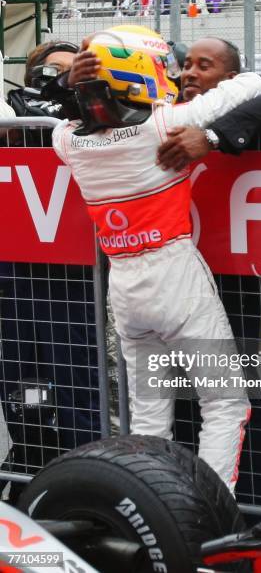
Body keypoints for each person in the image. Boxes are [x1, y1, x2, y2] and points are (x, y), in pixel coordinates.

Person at [49, 25, 261, 493]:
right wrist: (208, 133)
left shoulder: (65, 142)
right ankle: (213, 518)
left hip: (124, 289)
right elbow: (253, 84)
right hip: (178, 283)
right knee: (226, 404)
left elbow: (70, 115)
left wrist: (79, 86)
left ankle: (158, 508)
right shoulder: (166, 125)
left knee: (148, 416)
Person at [156, 38, 261, 505]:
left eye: (204, 66)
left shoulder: (241, 114)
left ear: (230, 80)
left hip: (231, 282)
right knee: (174, 389)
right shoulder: (165, 113)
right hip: (171, 281)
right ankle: (185, 494)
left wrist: (209, 138)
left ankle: (248, 500)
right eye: (186, 65)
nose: (189, 73)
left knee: (234, 390)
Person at [1, 40, 101, 504]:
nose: (62, 78)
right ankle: (29, 467)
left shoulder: (94, 109)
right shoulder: (15, 107)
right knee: (20, 382)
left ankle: (87, 487)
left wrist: (73, 90)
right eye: (52, 71)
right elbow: (23, 114)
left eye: (70, 71)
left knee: (79, 383)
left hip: (76, 279)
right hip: (17, 276)